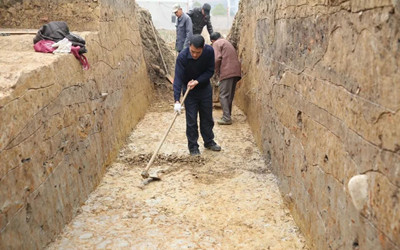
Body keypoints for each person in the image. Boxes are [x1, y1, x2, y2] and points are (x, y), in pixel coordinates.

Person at [173, 34, 221, 156]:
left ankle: (209, 141)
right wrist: (177, 100)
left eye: (198, 52)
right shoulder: (182, 57)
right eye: (193, 51)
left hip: (204, 88)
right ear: (189, 46)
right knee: (191, 120)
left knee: (207, 118)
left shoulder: (209, 51)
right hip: (189, 92)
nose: (195, 55)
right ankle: (193, 147)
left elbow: (210, 71)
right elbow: (177, 79)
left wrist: (197, 81)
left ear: (203, 48)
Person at [210, 32, 242, 125]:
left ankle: (226, 118)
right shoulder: (226, 42)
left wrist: (215, 71)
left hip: (227, 72)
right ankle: (227, 115)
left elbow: (216, 59)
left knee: (223, 95)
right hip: (235, 72)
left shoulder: (217, 43)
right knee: (229, 95)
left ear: (212, 40)